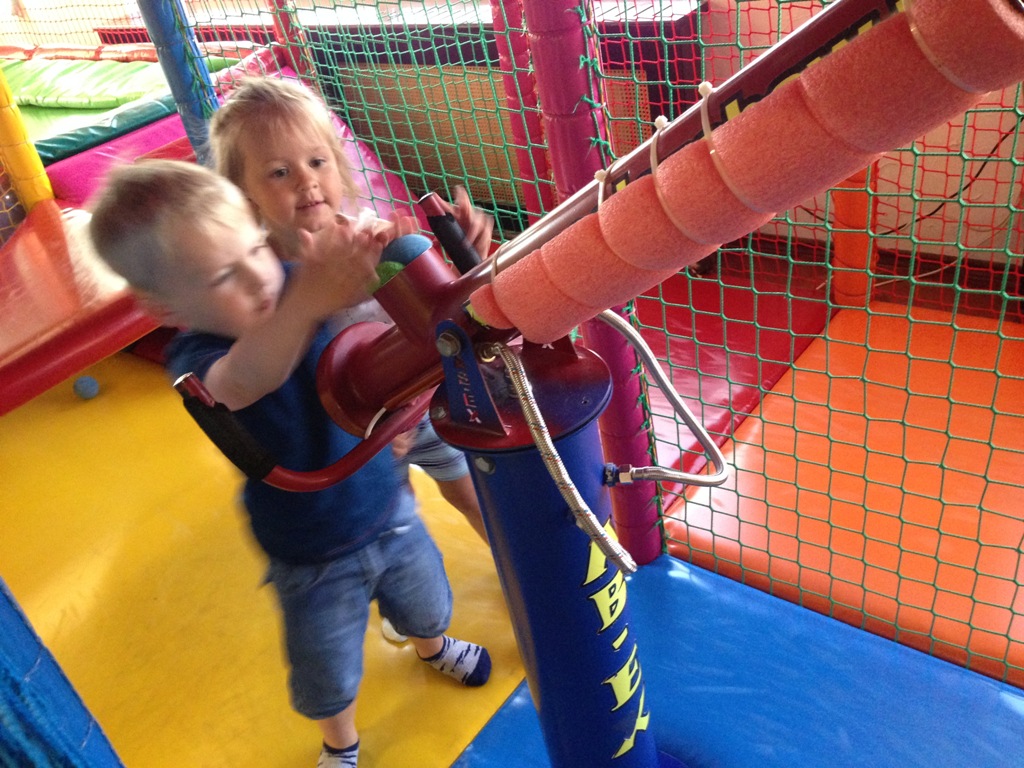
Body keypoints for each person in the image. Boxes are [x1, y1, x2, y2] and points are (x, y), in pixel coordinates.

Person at [88, 159, 491, 768]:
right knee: (326, 665)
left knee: (426, 604)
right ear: (165, 307)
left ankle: (432, 648)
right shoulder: (197, 359)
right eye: (224, 275)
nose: (261, 277)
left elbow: (384, 299)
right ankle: (340, 740)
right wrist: (306, 302)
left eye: (255, 247)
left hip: (388, 508)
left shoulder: (296, 282)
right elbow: (245, 380)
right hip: (310, 552)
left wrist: (437, 259)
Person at [206, 75, 491, 545]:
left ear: (338, 165)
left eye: (317, 162)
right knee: (390, 524)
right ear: (244, 191)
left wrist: (464, 259)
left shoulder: (371, 237)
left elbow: (434, 317)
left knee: (473, 498)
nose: (307, 180)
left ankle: (519, 574)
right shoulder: (262, 280)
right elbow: (277, 375)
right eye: (280, 172)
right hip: (349, 435)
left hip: (420, 405)